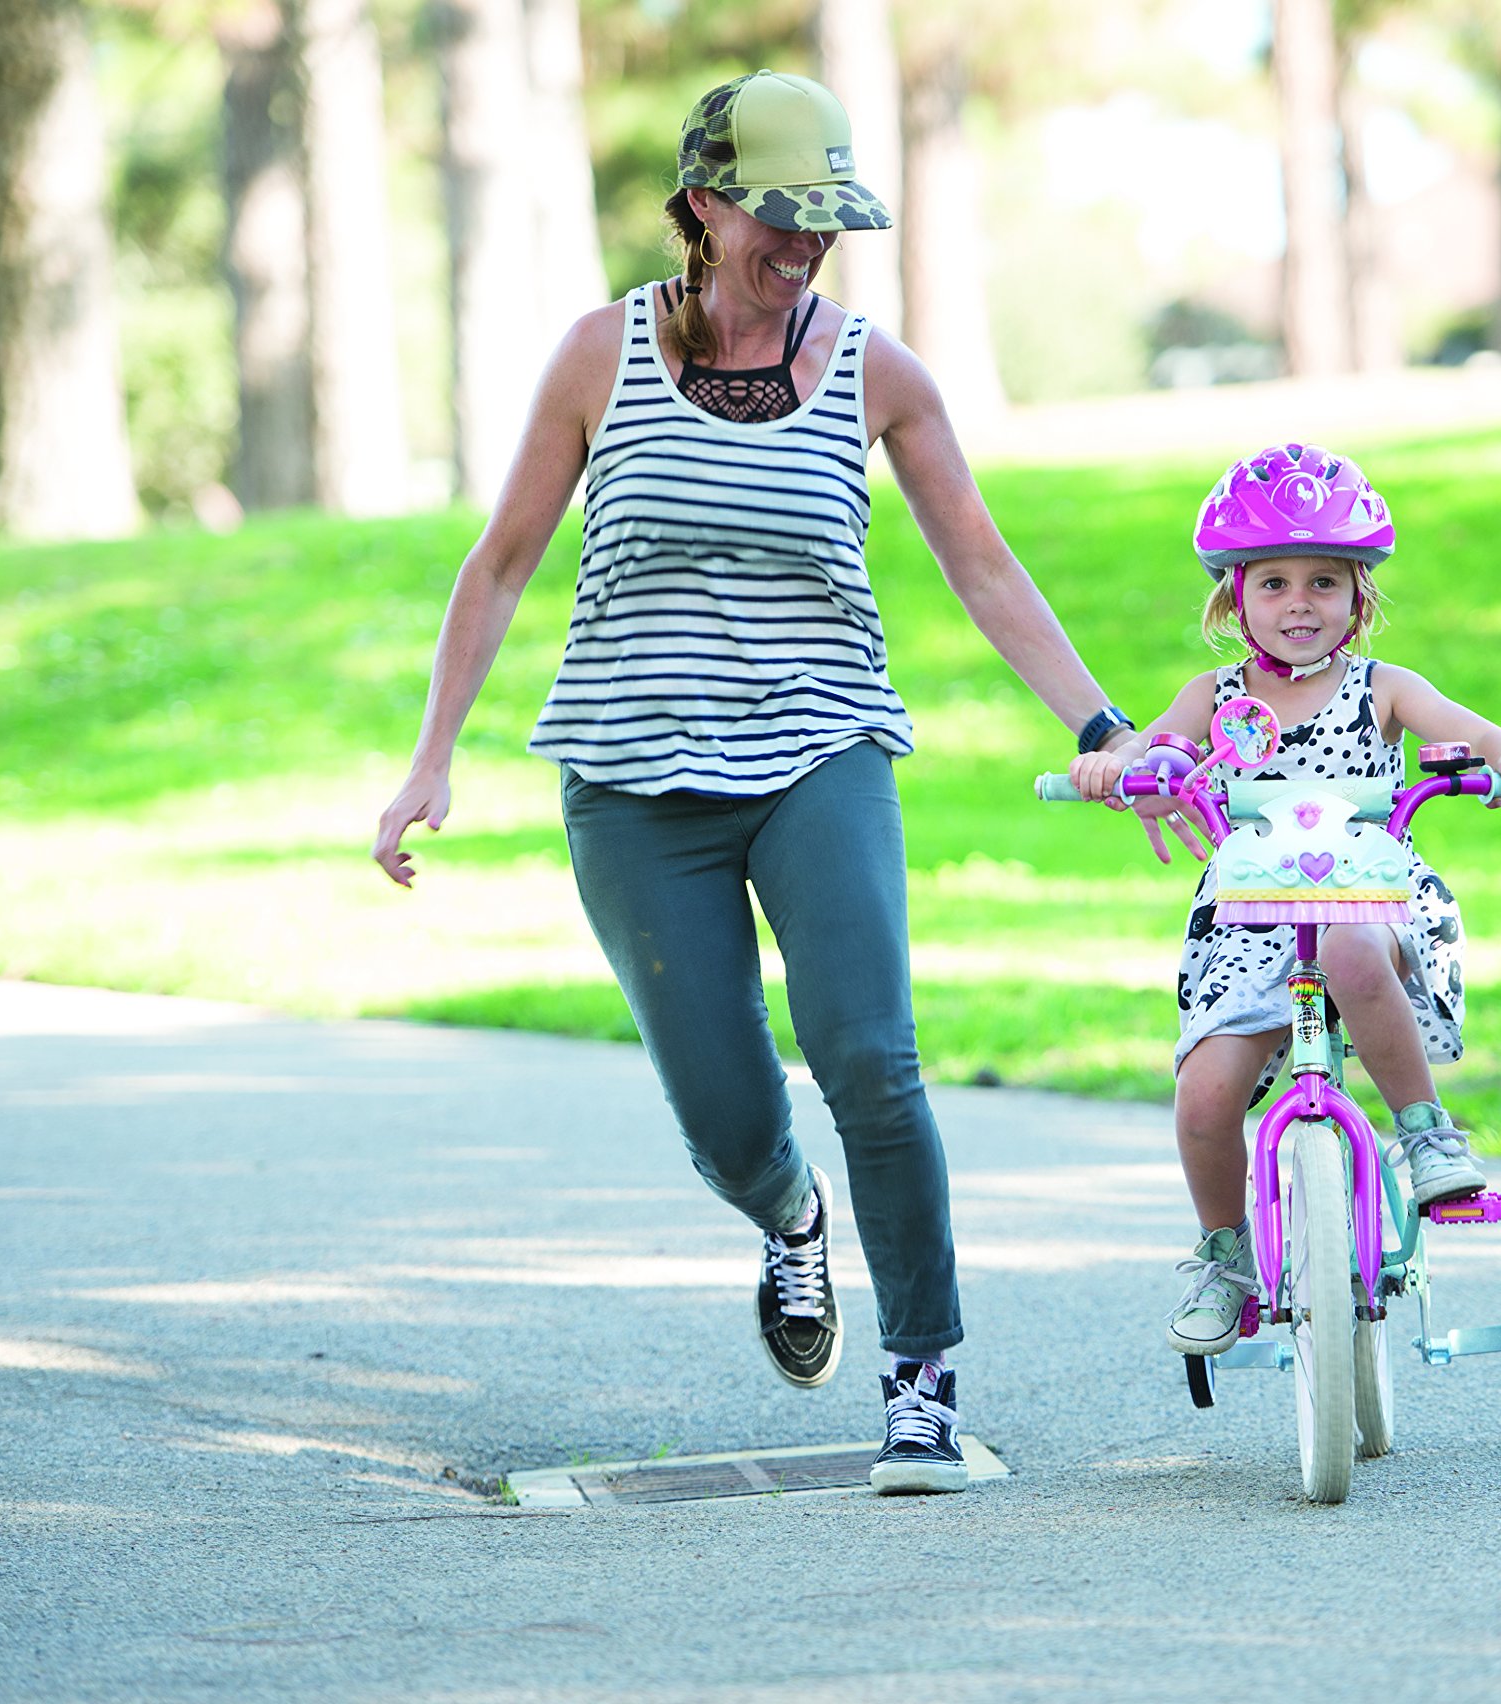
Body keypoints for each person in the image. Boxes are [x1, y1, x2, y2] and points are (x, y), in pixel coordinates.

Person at [372, 70, 1136, 1493]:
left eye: (823, 226)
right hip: (629, 779)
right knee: (725, 1113)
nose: (801, 250)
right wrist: (431, 759)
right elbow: (500, 564)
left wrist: (1104, 728)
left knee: (872, 1057)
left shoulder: (877, 373)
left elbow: (981, 563)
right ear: (704, 207)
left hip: (817, 750)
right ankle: (791, 1218)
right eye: (776, 222)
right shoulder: (599, 356)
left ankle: (921, 1381)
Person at [1067, 443, 1501, 1357]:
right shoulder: (1214, 697)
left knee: (1348, 948)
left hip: (1371, 901)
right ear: (1234, 598)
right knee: (1205, 1097)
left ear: (1359, 597)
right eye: (1276, 583)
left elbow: (1474, 732)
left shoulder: (1385, 689)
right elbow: (1154, 747)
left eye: (1325, 582)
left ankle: (1426, 1137)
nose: (1300, 604)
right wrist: (1116, 766)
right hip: (1251, 920)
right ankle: (1225, 1259)